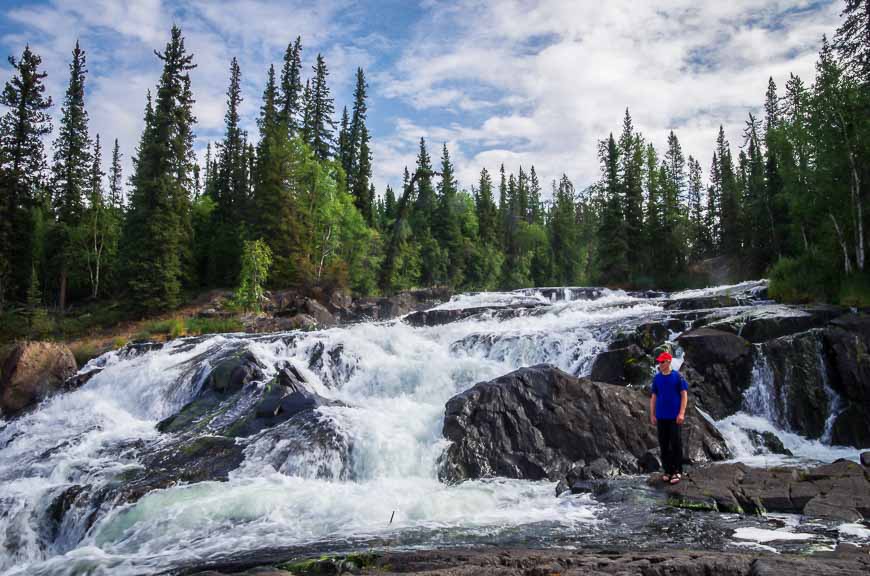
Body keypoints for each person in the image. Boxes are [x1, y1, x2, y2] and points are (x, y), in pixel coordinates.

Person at [649, 351, 688, 484]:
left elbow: (684, 396)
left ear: (669, 362)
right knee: (664, 444)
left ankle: (677, 471)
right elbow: (653, 397)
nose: (659, 364)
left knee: (676, 444)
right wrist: (652, 414)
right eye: (659, 362)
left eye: (662, 362)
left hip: (674, 417)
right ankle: (667, 470)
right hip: (661, 417)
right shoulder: (657, 378)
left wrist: (681, 413)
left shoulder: (678, 377)